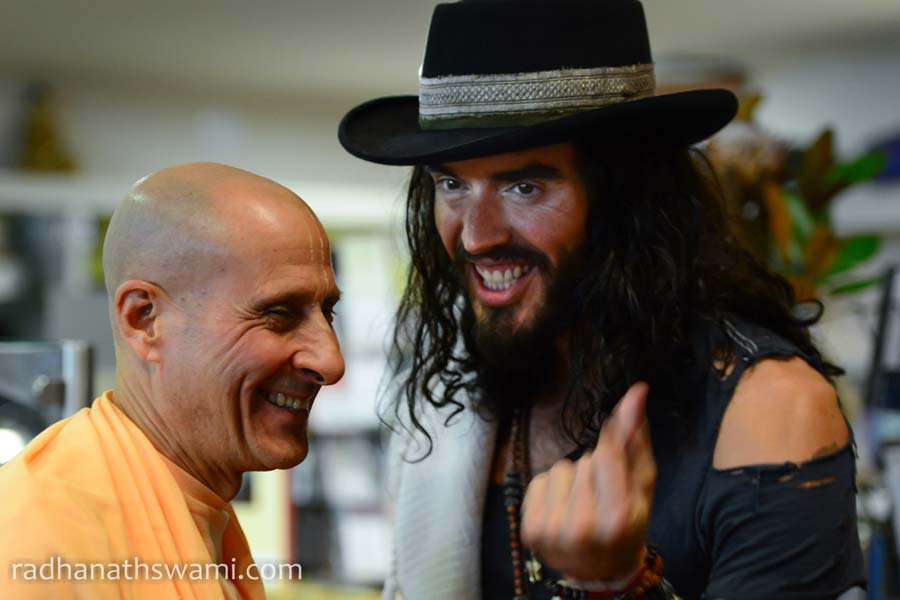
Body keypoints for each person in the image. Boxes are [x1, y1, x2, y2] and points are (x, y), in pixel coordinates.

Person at [338, 1, 865, 598]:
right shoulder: (454, 405)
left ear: (626, 200)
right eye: (451, 184)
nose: (477, 234)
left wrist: (618, 584)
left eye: (524, 185)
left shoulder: (768, 407)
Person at [0, 163, 345, 598]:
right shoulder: (39, 532)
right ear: (144, 319)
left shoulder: (199, 512)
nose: (331, 361)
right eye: (278, 313)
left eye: (327, 313)